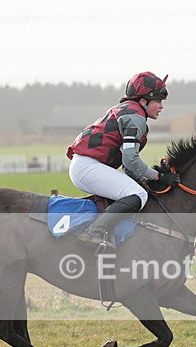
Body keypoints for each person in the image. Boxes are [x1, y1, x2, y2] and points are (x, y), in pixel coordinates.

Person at [66, 71, 172, 249]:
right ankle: (95, 232)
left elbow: (128, 165)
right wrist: (157, 177)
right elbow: (131, 160)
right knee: (138, 195)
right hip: (88, 167)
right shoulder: (135, 117)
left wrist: (145, 178)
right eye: (158, 101)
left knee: (137, 190)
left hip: (87, 165)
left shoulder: (128, 110)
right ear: (144, 101)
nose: (161, 107)